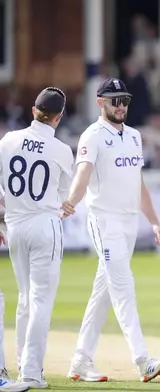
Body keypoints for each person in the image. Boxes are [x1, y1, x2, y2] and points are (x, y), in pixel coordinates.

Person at [61, 78, 160, 384]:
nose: (121, 106)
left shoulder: (134, 136)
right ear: (100, 103)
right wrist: (70, 201)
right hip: (104, 221)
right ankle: (142, 360)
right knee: (123, 287)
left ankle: (80, 361)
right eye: (114, 101)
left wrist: (153, 221)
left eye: (124, 100)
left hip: (128, 223)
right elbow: (82, 172)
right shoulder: (93, 135)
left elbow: (139, 184)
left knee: (104, 293)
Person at [0, 87, 73, 391]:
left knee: (24, 299)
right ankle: (31, 372)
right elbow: (65, 195)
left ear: (34, 111)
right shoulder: (60, 150)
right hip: (45, 224)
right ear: (59, 117)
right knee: (40, 300)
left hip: (14, 225)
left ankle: (20, 370)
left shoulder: (8, 140)